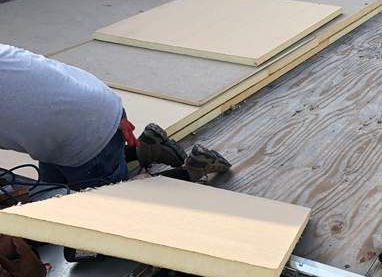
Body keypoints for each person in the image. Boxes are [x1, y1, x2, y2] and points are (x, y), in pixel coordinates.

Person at [0, 44, 230, 190]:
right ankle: (144, 149)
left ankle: (194, 169)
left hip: (78, 135)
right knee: (50, 194)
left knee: (101, 209)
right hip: (92, 105)